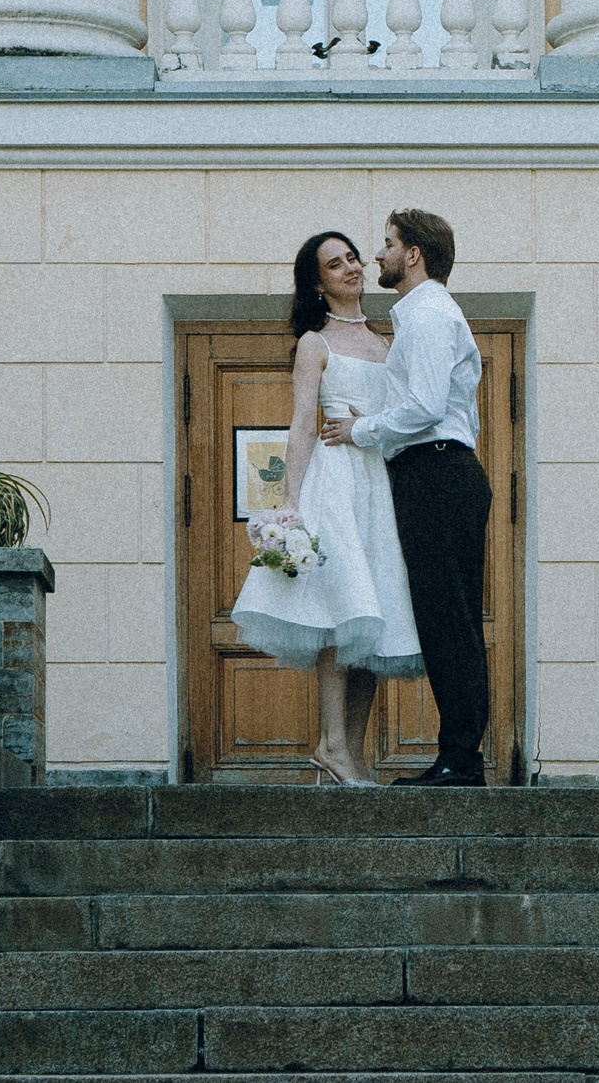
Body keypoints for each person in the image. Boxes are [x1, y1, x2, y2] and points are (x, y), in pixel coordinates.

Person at [229, 230, 424, 786]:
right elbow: (301, 425)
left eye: (353, 258)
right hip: (336, 484)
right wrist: (288, 504)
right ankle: (331, 742)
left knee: (374, 616)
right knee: (341, 611)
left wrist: (374, 425)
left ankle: (351, 754)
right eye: (335, 265)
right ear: (319, 282)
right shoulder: (315, 343)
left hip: (378, 485)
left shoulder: (387, 344)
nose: (350, 269)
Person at [320, 208, 490, 787]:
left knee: (451, 620)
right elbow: (428, 405)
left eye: (388, 244)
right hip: (434, 471)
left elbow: (425, 407)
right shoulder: (422, 316)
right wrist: (384, 424)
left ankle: (461, 760)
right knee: (446, 618)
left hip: (438, 474)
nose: (378, 256)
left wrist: (360, 431)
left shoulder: (428, 314)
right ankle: (458, 756)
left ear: (413, 254)